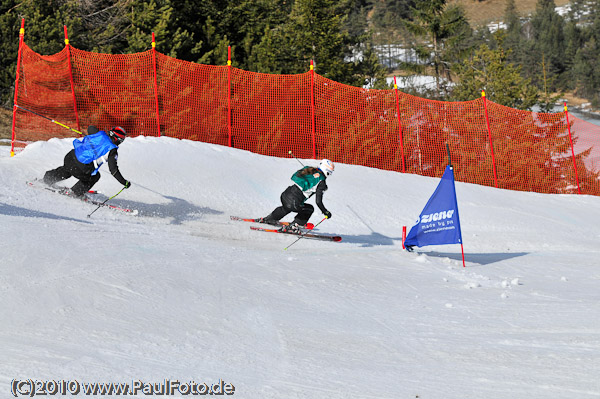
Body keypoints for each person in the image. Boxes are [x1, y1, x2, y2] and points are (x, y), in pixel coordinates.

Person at [43, 126, 131, 197]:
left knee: (68, 169)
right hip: (80, 168)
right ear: (118, 140)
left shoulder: (99, 133)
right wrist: (124, 182)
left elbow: (90, 128)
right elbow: (113, 170)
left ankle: (47, 179)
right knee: (95, 176)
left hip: (70, 157)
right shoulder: (112, 150)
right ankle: (75, 192)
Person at [260, 159, 334, 234]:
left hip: (285, 195)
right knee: (309, 209)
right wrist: (325, 212)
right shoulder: (322, 182)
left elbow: (308, 178)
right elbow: (318, 202)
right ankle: (293, 226)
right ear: (327, 171)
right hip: (294, 202)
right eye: (329, 173)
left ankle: (270, 218)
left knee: (286, 207)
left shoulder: (310, 170)